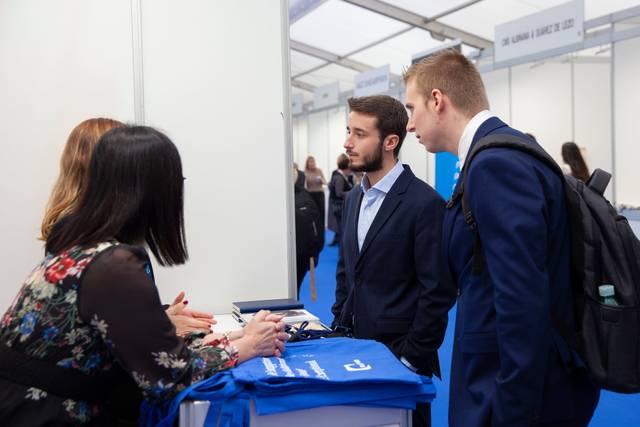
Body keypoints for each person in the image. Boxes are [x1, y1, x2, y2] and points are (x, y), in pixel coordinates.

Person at [0, 126, 287, 425]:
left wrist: (234, 337)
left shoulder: (86, 247)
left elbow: (145, 352)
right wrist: (248, 346)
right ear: (155, 191)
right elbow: (170, 377)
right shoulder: (114, 265)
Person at [404, 49, 599, 427]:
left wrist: (513, 409)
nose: (410, 124)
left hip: (509, 393)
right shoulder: (496, 154)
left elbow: (521, 297)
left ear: (437, 100)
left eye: (412, 108)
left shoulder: (496, 164)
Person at [331, 95, 455, 427]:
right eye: (348, 131)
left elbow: (438, 292)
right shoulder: (353, 198)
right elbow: (347, 273)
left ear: (390, 141)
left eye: (359, 134)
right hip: (352, 355)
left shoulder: (424, 203)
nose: (347, 143)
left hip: (399, 363)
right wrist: (338, 329)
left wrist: (410, 359)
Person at [40, 118, 213, 337]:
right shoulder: (95, 248)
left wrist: (158, 316)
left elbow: (109, 312)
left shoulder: (104, 235)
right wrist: (232, 348)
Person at [293, 168, 324, 292]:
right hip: (302, 255)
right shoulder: (305, 196)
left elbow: (316, 228)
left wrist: (314, 253)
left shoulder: (304, 198)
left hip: (300, 255)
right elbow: (317, 230)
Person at [327, 153, 352, 246]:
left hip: (337, 206)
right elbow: (339, 193)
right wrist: (352, 192)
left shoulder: (337, 175)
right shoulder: (339, 178)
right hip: (339, 207)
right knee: (342, 230)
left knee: (340, 229)